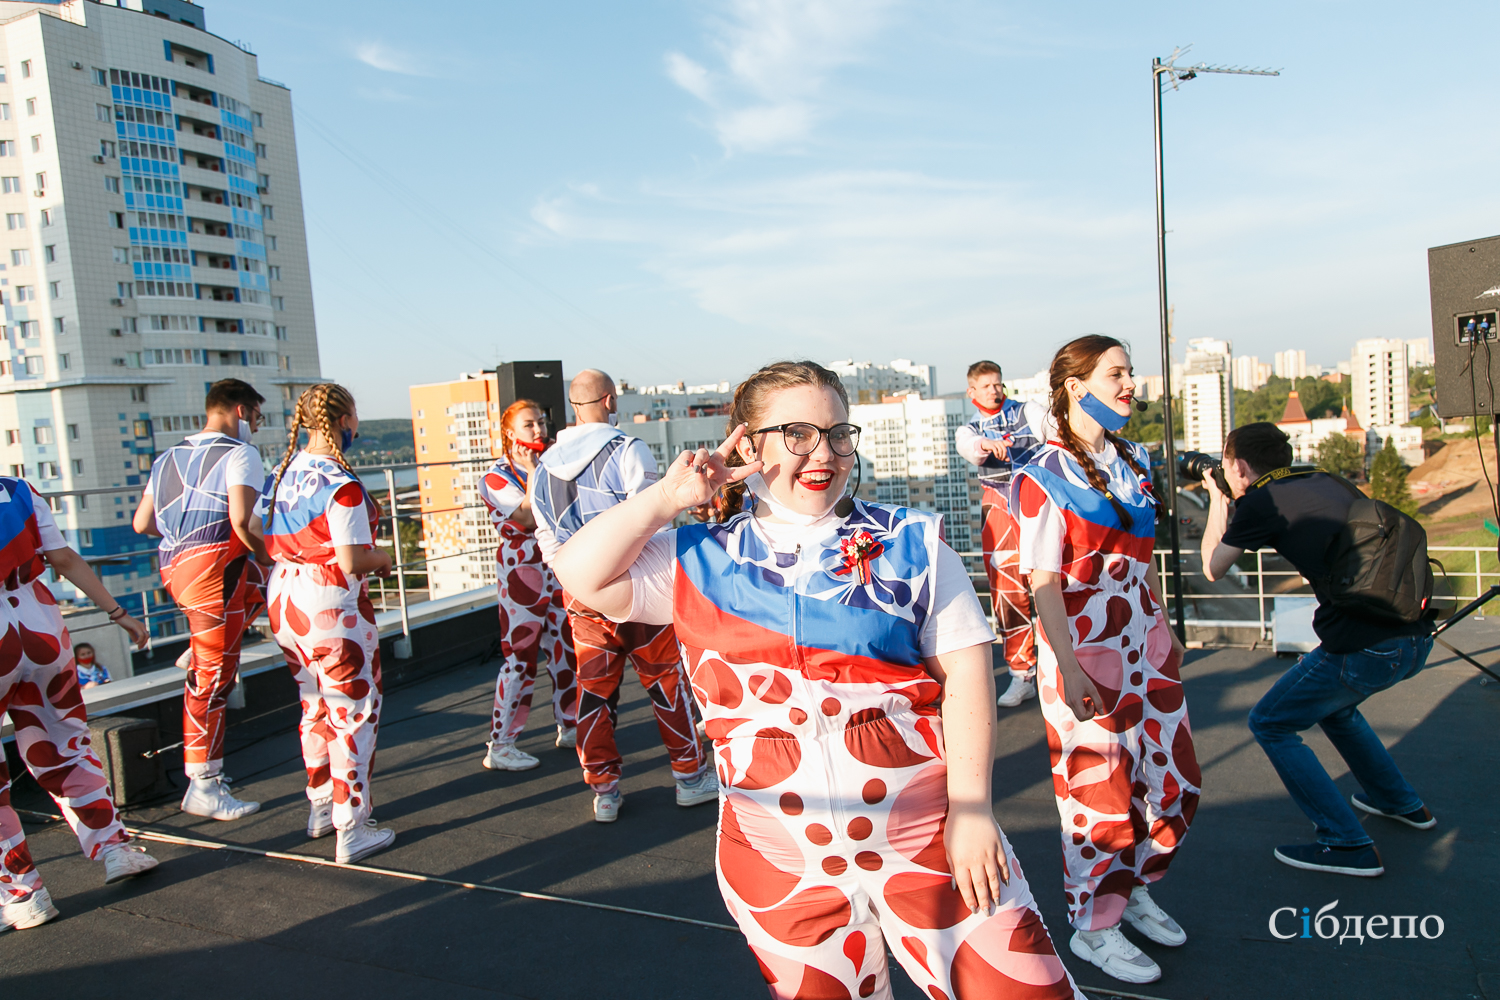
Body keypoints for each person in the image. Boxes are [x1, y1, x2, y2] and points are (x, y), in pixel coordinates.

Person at [553, 360, 1083, 1000]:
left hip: (925, 832)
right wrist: (667, 499)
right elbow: (581, 573)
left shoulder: (909, 540)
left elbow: (967, 671)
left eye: (838, 433)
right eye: (797, 434)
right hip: (778, 854)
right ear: (748, 447)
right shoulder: (696, 559)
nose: (823, 453)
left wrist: (972, 811)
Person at [1014, 336, 1197, 986]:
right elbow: (1041, 584)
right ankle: (1094, 927)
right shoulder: (1041, 473)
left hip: (1142, 642)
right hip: (1086, 648)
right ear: (1074, 384)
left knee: (1171, 780)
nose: (1130, 384)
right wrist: (1066, 665)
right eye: (1116, 373)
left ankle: (1136, 888)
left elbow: (1145, 561)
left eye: (1128, 372)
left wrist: (1166, 632)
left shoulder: (1133, 459)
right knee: (1100, 795)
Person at [1201, 422, 1437, 877]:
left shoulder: (1260, 503)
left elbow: (1212, 567)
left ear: (1240, 466)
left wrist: (1218, 500)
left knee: (1269, 722)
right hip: (1413, 636)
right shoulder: (1326, 478)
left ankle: (1346, 842)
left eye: (1227, 466)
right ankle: (1400, 802)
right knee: (1336, 709)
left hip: (1363, 649)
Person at [531, 369, 713, 823]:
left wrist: (577, 579)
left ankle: (604, 790)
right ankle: (690, 777)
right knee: (666, 682)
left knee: (593, 690)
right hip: (635, 588)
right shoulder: (627, 449)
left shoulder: (544, 464)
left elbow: (546, 539)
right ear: (610, 400)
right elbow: (655, 519)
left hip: (582, 592)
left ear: (574, 406)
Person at [0, 475, 158, 931]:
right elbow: (64, 557)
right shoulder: (18, 489)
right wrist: (118, 613)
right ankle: (115, 849)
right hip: (40, 623)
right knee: (65, 743)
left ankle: (23, 892)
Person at [264, 383, 395, 864]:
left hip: (284, 596)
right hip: (330, 602)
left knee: (314, 703)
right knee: (354, 710)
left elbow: (262, 537)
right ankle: (352, 826)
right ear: (343, 420)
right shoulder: (340, 484)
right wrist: (381, 558)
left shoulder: (281, 474)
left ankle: (321, 806)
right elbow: (351, 559)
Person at [133, 378, 271, 822]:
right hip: (214, 569)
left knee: (263, 585)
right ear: (240, 410)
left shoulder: (167, 457)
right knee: (212, 682)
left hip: (176, 568)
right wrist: (269, 553)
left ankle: (201, 642)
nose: (255, 425)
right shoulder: (239, 454)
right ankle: (204, 785)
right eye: (256, 416)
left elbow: (142, 524)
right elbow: (242, 519)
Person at [477, 399, 579, 770]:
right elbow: (523, 516)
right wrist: (535, 469)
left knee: (565, 647)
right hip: (521, 572)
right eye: (528, 425)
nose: (538, 430)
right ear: (509, 433)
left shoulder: (553, 462)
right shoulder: (495, 475)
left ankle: (570, 724)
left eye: (540, 422)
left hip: (555, 565)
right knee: (520, 657)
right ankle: (501, 743)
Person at [954, 361, 1049, 709]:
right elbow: (970, 447)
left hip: (1038, 498)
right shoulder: (970, 428)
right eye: (987, 385)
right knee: (1008, 591)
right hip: (998, 504)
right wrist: (985, 444)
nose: (995, 390)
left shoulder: (1028, 411)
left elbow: (1051, 427)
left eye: (998, 384)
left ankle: (1068, 665)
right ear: (972, 392)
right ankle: (1022, 674)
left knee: (1058, 579)